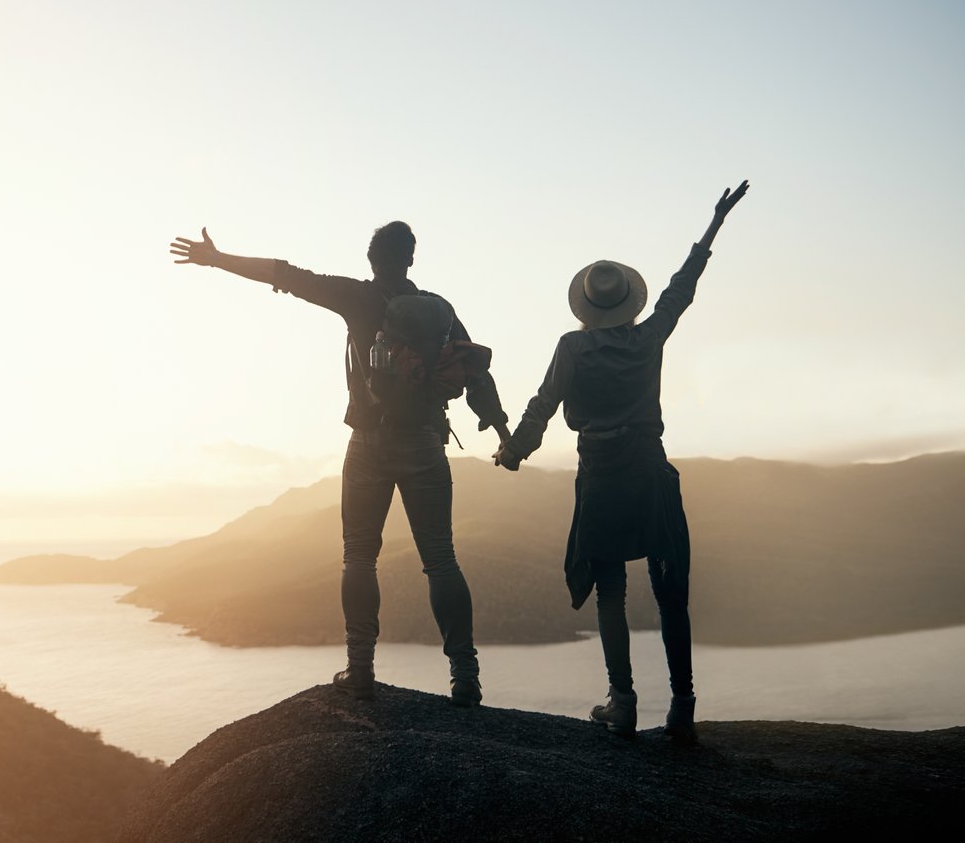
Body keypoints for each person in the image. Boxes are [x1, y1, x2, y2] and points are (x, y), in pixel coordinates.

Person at [170, 222, 512, 705]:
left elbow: (284, 274)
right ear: (410, 260)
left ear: (371, 261)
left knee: (359, 555)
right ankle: (465, 674)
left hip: (369, 444)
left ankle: (360, 669)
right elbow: (475, 370)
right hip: (425, 442)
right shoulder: (439, 312)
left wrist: (218, 258)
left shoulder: (356, 297)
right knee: (440, 560)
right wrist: (501, 432)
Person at [493, 181, 750, 743]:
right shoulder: (649, 338)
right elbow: (681, 291)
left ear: (587, 306)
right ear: (627, 301)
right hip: (650, 469)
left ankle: (623, 701)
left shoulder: (573, 347)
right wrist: (714, 225)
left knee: (611, 589)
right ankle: (683, 706)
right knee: (670, 588)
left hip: (602, 472)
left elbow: (542, 404)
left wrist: (513, 452)